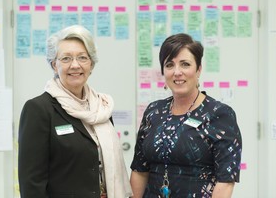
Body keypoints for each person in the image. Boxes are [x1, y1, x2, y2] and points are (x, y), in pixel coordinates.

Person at [18, 25, 132, 198]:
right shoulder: (39, 109)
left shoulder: (102, 107)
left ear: (91, 64)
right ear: (54, 65)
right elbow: (31, 183)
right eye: (66, 59)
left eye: (82, 58)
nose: (75, 65)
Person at [130, 33, 242, 198]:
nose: (177, 72)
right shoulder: (154, 111)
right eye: (169, 65)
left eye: (185, 64)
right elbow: (140, 170)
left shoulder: (220, 115)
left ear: (198, 69)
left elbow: (225, 181)